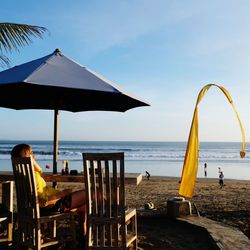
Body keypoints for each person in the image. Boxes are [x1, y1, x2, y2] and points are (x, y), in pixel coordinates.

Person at [11, 144, 87, 235]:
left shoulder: (24, 175)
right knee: (88, 194)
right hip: (53, 206)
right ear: (28, 158)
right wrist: (63, 193)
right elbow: (43, 202)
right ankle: (84, 236)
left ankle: (83, 233)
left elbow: (39, 171)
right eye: (31, 153)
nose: (34, 156)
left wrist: (35, 166)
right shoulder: (34, 177)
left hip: (33, 210)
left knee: (84, 206)